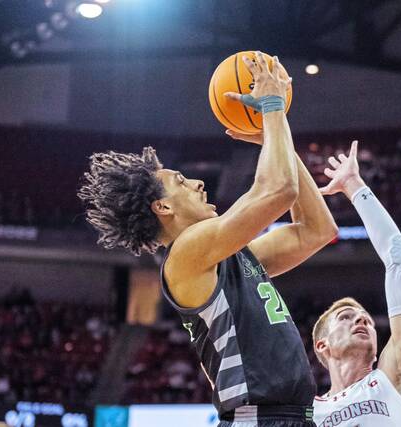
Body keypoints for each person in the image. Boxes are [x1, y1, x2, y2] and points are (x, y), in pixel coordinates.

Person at [78, 51, 338, 426]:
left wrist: (272, 135)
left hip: (291, 416)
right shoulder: (184, 255)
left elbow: (317, 231)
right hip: (259, 419)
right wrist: (271, 109)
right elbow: (278, 190)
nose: (197, 183)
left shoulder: (230, 258)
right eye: (180, 182)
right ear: (162, 209)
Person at [311, 141, 401, 427]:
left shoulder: (397, 374)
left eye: (365, 319)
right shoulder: (307, 412)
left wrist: (354, 185)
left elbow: (400, 259)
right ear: (322, 345)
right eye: (346, 317)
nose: (361, 321)